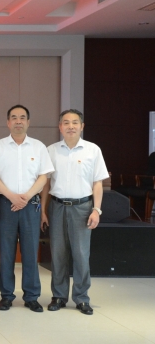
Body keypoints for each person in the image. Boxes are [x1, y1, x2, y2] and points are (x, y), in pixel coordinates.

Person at [41, 109, 108, 315]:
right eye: (66, 122)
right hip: (57, 207)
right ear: (60, 127)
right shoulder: (51, 150)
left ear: (82, 126)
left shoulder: (92, 150)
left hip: (83, 208)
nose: (71, 126)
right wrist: (43, 210)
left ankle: (81, 298)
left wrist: (96, 210)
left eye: (75, 122)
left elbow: (98, 183)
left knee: (81, 254)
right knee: (58, 254)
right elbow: (45, 183)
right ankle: (59, 296)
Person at [0, 104, 53, 312]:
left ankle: (32, 296)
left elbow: (44, 176)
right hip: (5, 204)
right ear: (8, 122)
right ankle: (6, 296)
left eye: (22, 117)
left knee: (30, 252)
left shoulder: (38, 147)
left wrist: (26, 197)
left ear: (28, 122)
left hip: (30, 205)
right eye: (14, 118)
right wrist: (12, 197)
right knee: (6, 253)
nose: (18, 121)